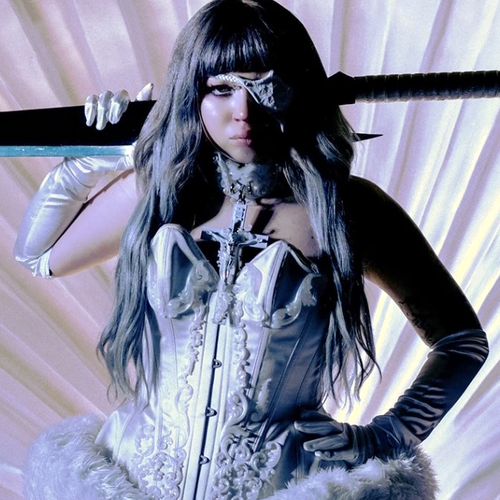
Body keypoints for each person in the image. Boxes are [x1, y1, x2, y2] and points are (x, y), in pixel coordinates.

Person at [14, 0, 488, 499]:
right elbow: (41, 255)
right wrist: (91, 160)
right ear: (192, 95)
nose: (243, 112)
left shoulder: (348, 209)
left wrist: (387, 435)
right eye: (221, 89)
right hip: (129, 482)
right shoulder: (162, 193)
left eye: (264, 86)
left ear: (299, 88)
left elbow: (461, 341)